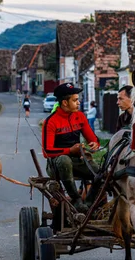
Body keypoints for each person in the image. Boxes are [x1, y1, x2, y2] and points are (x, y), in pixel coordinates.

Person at [41, 83, 100, 214]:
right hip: (56, 164)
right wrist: (70, 151)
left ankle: (89, 203)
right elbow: (47, 151)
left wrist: (95, 144)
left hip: (77, 160)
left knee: (101, 174)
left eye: (77, 99)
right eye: (75, 100)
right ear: (65, 103)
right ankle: (77, 199)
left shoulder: (80, 117)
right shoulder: (51, 121)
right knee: (64, 160)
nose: (78, 103)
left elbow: (94, 139)